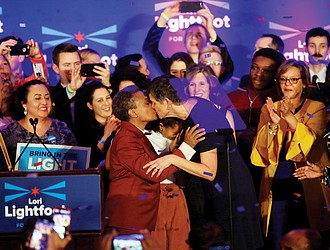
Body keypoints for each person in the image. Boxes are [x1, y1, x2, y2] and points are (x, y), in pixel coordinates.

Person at [146, 76, 263, 250]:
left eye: (154, 102)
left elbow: (209, 171)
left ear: (168, 102)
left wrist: (171, 158)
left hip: (230, 192)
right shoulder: (191, 109)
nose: (152, 107)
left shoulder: (204, 116)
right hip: (216, 190)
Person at [251, 59, 330, 250]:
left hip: (308, 177)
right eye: (283, 79)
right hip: (277, 179)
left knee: (309, 238)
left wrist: (288, 117)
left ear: (303, 83)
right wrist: (272, 125)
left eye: (293, 80)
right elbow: (260, 152)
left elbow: (311, 142)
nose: (288, 84)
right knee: (279, 237)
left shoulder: (316, 108)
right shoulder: (269, 108)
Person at [103, 86, 201, 239]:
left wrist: (173, 152)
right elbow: (153, 172)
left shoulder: (135, 135)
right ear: (133, 112)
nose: (152, 106)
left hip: (138, 219)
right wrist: (186, 148)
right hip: (128, 221)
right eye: (147, 103)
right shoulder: (126, 139)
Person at [229, 48, 286, 195]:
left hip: (271, 169)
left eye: (266, 70)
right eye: (255, 68)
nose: (258, 74)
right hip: (236, 167)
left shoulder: (282, 101)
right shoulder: (232, 97)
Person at [143, 1, 234, 83]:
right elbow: (149, 49)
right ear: (184, 41)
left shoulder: (211, 68)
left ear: (207, 40)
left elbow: (227, 67)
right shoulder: (175, 65)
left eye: (199, 34)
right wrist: (164, 17)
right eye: (190, 35)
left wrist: (211, 31)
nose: (194, 38)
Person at [0, 80, 76, 171]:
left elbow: (76, 160)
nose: (44, 102)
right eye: (37, 98)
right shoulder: (9, 134)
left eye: (47, 98)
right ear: (24, 104)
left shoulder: (61, 128)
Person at [75, 82, 120, 168]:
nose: (106, 103)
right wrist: (106, 135)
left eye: (108, 98)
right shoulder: (84, 131)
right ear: (90, 105)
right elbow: (90, 161)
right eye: (100, 100)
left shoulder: (121, 121)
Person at [50, 43, 86, 131]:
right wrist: (70, 90)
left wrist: (107, 84)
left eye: (77, 64)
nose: (73, 69)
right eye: (67, 65)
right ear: (56, 68)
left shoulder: (91, 91)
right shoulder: (50, 94)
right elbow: (54, 106)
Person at [304, 27, 330, 106]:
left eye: (322, 46)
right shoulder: (300, 75)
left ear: (328, 50)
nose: (317, 51)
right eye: (312, 46)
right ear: (305, 49)